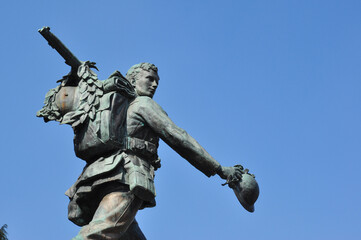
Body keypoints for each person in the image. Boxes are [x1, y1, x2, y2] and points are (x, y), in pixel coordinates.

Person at [38, 62, 242, 240]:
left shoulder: (113, 105)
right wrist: (218, 168)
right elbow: (178, 137)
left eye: (157, 82)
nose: (154, 85)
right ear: (133, 80)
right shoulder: (143, 104)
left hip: (96, 179)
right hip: (126, 176)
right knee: (99, 234)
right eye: (150, 79)